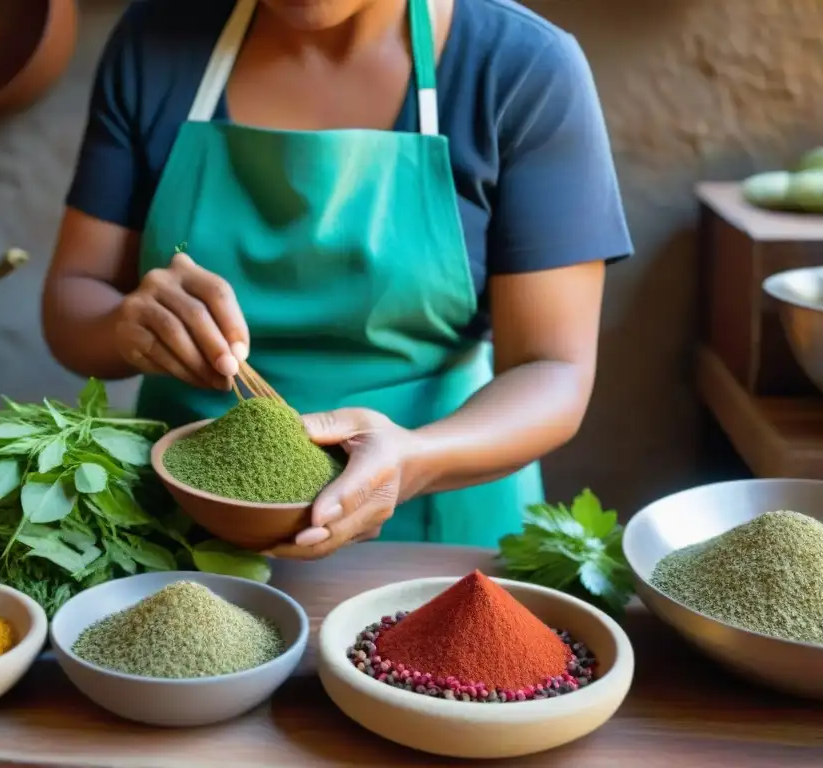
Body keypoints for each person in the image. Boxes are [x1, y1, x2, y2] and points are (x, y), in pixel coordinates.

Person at [42, 0, 632, 560]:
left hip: (436, 528)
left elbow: (553, 370)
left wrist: (415, 460)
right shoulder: (156, 40)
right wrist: (125, 328)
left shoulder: (520, 66)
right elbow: (75, 298)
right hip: (180, 523)